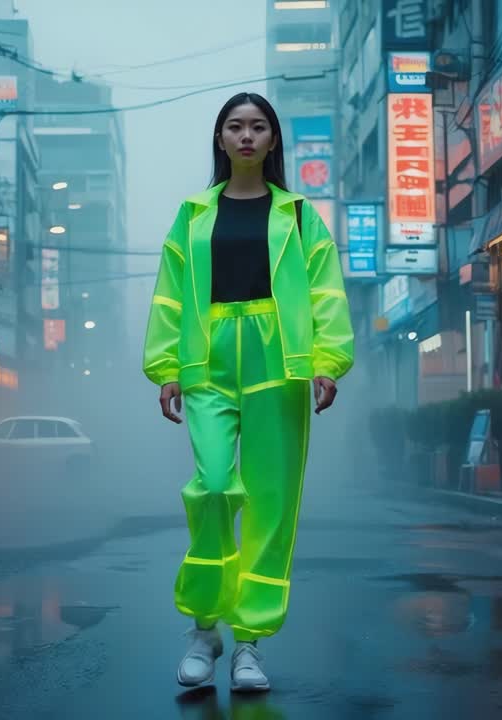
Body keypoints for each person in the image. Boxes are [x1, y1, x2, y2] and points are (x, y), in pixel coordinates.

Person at [142, 92, 355, 693]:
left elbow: (324, 289)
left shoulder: (298, 215)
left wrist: (326, 361)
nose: (245, 136)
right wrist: (166, 369)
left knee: (270, 503)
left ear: (272, 141)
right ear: (219, 139)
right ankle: (204, 627)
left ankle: (248, 645)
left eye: (257, 126)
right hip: (207, 360)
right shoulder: (192, 215)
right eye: (234, 126)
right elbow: (170, 293)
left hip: (279, 363)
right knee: (212, 486)